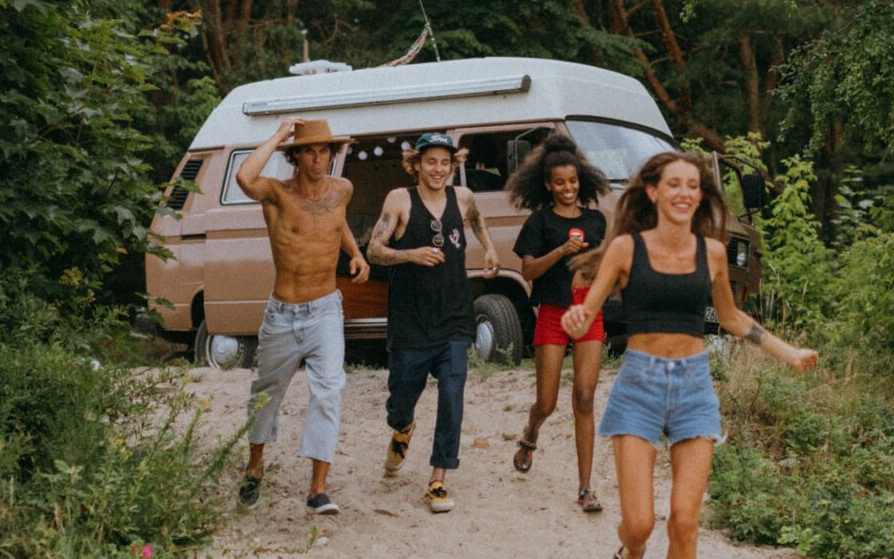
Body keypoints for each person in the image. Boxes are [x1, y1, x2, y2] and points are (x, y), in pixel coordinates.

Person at [560, 150, 816, 559]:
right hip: (639, 386)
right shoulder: (627, 247)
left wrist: (786, 351)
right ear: (652, 192)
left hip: (695, 387)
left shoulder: (715, 254)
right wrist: (577, 315)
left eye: (693, 186)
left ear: (700, 196)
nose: (684, 193)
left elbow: (729, 317)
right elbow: (589, 305)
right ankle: (629, 553)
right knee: (641, 523)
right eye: (673, 184)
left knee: (684, 520)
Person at [232, 117, 368, 516]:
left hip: (326, 308)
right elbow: (244, 176)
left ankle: (318, 489)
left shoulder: (342, 189)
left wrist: (355, 252)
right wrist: (277, 136)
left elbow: (336, 221)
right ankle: (255, 468)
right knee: (266, 394)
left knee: (328, 390)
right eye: (309, 150)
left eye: (324, 150)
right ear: (294, 155)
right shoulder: (275, 193)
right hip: (284, 313)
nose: (318, 158)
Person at [365, 131, 500, 514]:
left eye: (445, 162)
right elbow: (374, 250)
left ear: (453, 164)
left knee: (453, 396)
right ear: (417, 164)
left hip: (455, 316)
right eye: (431, 162)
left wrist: (488, 246)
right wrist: (411, 255)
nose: (439, 169)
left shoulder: (464, 197)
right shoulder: (399, 200)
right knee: (402, 397)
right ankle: (402, 427)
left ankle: (438, 479)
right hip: (410, 321)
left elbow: (476, 220)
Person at [506, 134, 611, 512]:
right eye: (560, 183)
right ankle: (531, 432)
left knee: (584, 398)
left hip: (588, 311)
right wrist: (560, 251)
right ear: (547, 185)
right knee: (547, 403)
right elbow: (529, 269)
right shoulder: (540, 221)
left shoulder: (596, 220)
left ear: (581, 179)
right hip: (552, 311)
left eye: (573, 181)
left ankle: (585, 489)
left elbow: (606, 266)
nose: (568, 188)